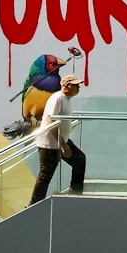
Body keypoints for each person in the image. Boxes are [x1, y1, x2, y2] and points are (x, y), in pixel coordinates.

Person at [28, 74, 87, 205]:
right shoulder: (58, 98)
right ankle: (33, 206)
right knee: (45, 176)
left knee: (79, 160)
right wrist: (63, 145)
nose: (79, 88)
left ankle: (75, 194)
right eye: (76, 85)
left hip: (60, 141)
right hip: (50, 144)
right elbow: (51, 122)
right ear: (66, 86)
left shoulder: (65, 99)